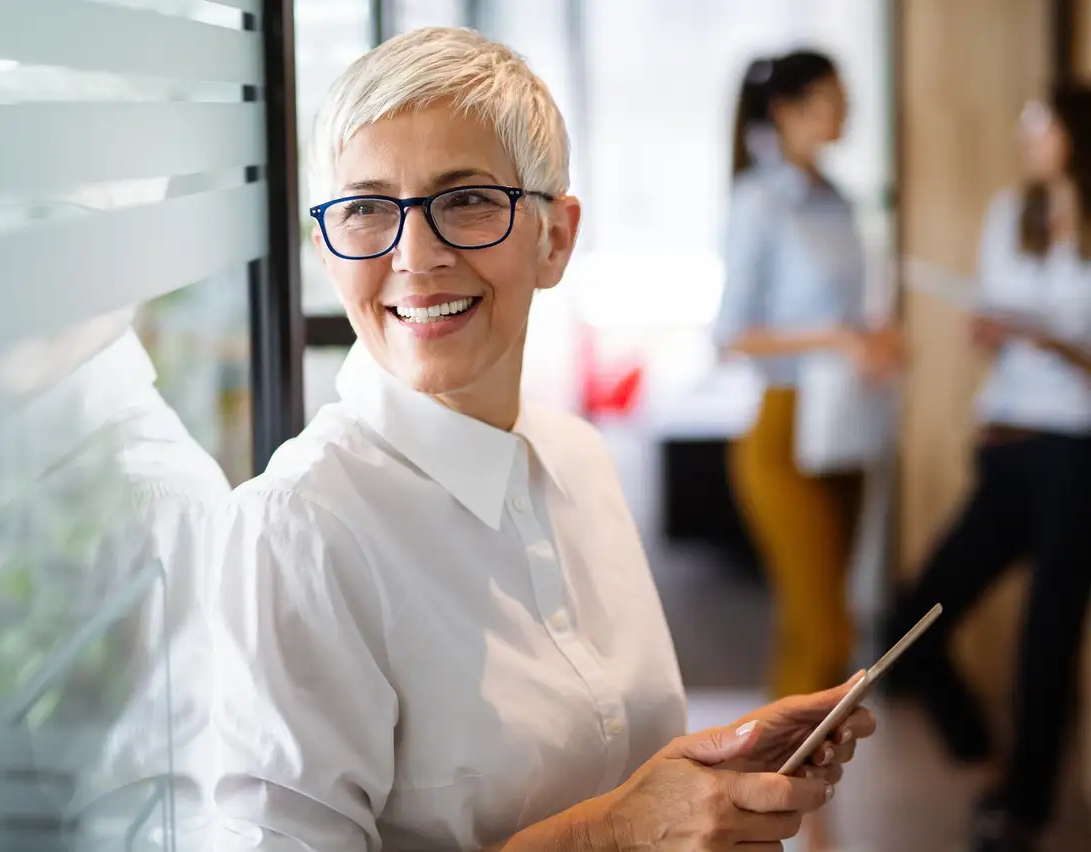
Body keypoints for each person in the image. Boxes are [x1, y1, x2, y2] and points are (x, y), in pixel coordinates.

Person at [203, 27, 877, 852]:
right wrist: (614, 832)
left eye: (466, 201)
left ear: (555, 238)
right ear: (326, 250)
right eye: (367, 209)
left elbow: (605, 761)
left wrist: (705, 772)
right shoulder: (298, 531)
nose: (415, 257)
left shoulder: (579, 460)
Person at [888, 84, 1091, 852]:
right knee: (917, 618)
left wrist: (1056, 342)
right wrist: (995, 330)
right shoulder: (1013, 214)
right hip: (1005, 443)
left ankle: (1021, 812)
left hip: (1076, 453)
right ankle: (988, 762)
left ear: (1075, 133)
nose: (1027, 141)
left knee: (1047, 642)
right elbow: (995, 318)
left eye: (1040, 127)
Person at [713, 50, 901, 852]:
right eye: (830, 99)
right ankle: (779, 807)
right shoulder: (761, 200)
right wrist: (833, 338)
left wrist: (872, 339)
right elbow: (732, 335)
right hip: (783, 429)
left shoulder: (839, 200)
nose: (843, 113)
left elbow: (849, 312)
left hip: (844, 424)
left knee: (807, 628)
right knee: (826, 634)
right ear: (786, 111)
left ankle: (789, 817)